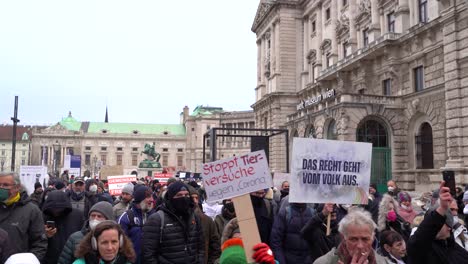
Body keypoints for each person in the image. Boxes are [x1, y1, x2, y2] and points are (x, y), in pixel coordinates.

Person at [142, 181, 205, 263]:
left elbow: (201, 247)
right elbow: (148, 253)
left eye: (186, 195)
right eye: (179, 195)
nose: (184, 198)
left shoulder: (194, 217)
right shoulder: (157, 219)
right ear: (171, 197)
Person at [407, 182, 468, 263]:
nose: (450, 228)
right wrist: (442, 208)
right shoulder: (423, 249)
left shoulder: (454, 247)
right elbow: (417, 242)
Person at [313, 208, 390, 264]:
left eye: (365, 239)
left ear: (373, 238)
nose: (360, 246)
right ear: (343, 237)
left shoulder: (384, 262)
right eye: (353, 239)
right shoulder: (324, 262)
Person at [0, 172, 47, 261]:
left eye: (5, 185)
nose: (1, 188)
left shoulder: (32, 210)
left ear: (17, 187)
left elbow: (40, 244)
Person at [42, 190, 84, 264]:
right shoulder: (43, 217)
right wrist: (45, 235)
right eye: (53, 209)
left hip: (73, 259)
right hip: (50, 260)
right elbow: (36, 240)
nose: (56, 211)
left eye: (58, 209)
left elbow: (84, 235)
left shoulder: (78, 215)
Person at [270, 198, 314, 263]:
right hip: (289, 260)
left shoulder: (312, 213)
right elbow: (276, 241)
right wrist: (281, 261)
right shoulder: (284, 213)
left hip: (308, 260)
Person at [118, 185, 154, 263]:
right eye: (148, 197)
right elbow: (120, 245)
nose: (152, 199)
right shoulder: (126, 218)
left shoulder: (155, 216)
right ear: (139, 199)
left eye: (152, 196)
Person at [189, 185, 221, 264]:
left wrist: (210, 262)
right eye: (192, 198)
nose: (195, 201)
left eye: (196, 198)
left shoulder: (207, 221)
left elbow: (215, 246)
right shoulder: (177, 219)